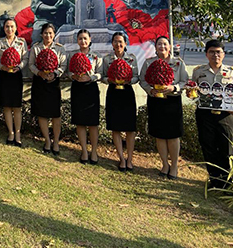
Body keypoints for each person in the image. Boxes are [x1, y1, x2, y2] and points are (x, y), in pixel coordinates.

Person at [192, 39, 233, 189]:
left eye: (218, 52)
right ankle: (214, 180)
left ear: (223, 54)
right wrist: (191, 92)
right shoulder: (198, 71)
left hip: (226, 115)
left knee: (227, 148)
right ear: (206, 54)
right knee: (208, 146)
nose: (215, 55)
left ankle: (227, 181)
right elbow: (193, 92)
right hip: (205, 114)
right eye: (212, 52)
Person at [140, 36, 188, 179]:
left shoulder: (178, 63)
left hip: (172, 101)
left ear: (170, 46)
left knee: (173, 135)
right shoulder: (149, 62)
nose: (162, 47)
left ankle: (174, 166)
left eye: (165, 44)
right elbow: (142, 80)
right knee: (159, 134)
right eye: (159, 44)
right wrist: (150, 90)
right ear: (155, 47)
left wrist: (174, 87)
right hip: (156, 101)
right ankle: (165, 164)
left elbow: (184, 81)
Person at [101, 32, 139, 171]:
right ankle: (121, 158)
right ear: (112, 44)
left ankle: (130, 158)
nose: (118, 44)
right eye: (115, 41)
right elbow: (103, 76)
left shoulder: (132, 58)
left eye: (121, 41)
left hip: (127, 93)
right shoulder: (107, 59)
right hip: (113, 93)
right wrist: (110, 80)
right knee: (115, 126)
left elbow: (136, 76)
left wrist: (129, 80)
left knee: (130, 128)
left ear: (125, 43)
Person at [29, 22, 67, 155]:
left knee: (55, 114)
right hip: (40, 82)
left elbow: (63, 66)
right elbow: (31, 64)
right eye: (45, 33)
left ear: (54, 34)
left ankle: (56, 141)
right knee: (42, 113)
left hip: (53, 83)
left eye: (50, 33)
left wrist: (54, 74)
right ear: (41, 34)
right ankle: (47, 141)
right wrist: (40, 73)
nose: (48, 35)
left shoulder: (60, 49)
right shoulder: (36, 48)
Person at [0, 18, 29, 147]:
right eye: (7, 26)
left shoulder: (21, 42)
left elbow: (25, 58)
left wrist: (19, 67)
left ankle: (18, 134)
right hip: (4, 75)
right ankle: (11, 133)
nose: (10, 29)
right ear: (4, 28)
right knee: (7, 106)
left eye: (12, 26)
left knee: (17, 106)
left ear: (16, 28)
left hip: (16, 75)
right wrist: (1, 67)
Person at [69, 29, 102, 164]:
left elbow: (100, 73)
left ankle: (93, 151)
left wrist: (91, 77)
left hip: (91, 89)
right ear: (77, 41)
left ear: (89, 40)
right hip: (77, 89)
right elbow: (68, 72)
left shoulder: (96, 55)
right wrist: (74, 76)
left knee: (93, 123)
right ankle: (83, 150)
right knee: (80, 121)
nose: (83, 41)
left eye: (85, 38)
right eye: (80, 39)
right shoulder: (73, 55)